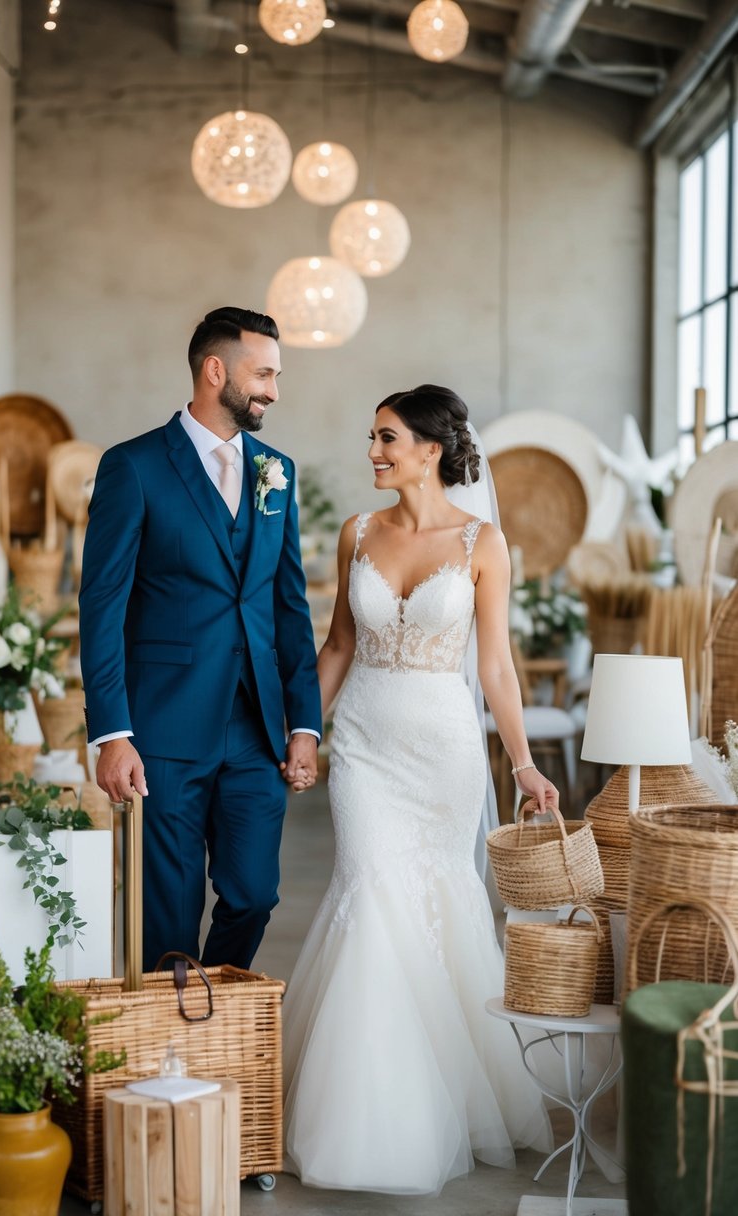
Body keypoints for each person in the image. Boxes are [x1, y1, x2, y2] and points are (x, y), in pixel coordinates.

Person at [282, 385, 556, 1195]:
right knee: (368, 890)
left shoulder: (483, 542)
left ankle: (439, 1103)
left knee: (434, 904)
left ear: (432, 449)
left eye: (387, 438)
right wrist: (306, 730)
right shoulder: (357, 533)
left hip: (441, 752)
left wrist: (524, 763)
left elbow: (496, 668)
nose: (373, 451)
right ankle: (365, 1116)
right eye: (372, 437)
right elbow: (335, 644)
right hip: (363, 744)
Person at [78, 306, 321, 972]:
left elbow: (288, 605)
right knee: (169, 912)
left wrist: (305, 723)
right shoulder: (133, 467)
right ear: (216, 370)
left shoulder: (277, 471)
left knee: (253, 895)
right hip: (164, 727)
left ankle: (210, 1003)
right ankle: (173, 1053)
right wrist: (111, 733)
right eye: (263, 373)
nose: (273, 390)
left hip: (254, 730)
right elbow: (101, 606)